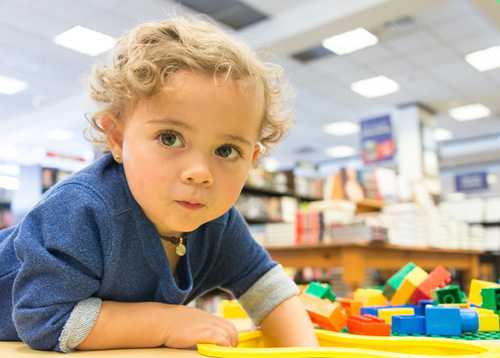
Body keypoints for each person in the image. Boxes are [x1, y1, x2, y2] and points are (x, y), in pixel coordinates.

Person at [0, 16, 318, 352]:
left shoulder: (219, 223)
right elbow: (45, 318)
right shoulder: (81, 208)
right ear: (117, 139)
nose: (200, 172)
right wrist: (167, 322)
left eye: (226, 150)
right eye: (170, 138)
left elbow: (269, 290)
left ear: (253, 158)